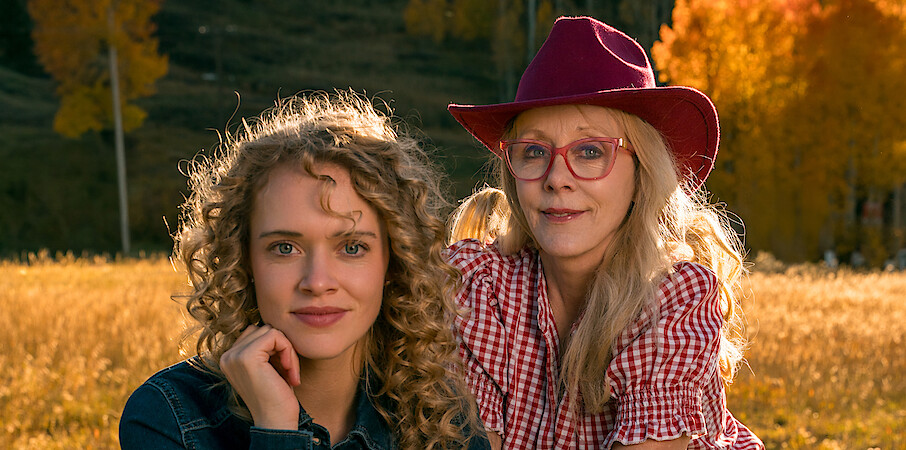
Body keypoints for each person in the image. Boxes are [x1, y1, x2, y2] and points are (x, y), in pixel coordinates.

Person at [446, 16, 764, 449]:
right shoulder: (480, 288)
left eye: (591, 151)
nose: (557, 178)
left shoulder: (674, 300)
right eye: (535, 151)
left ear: (642, 173)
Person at [120, 90, 489, 449]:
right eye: (285, 248)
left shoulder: (444, 421)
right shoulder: (169, 417)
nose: (317, 282)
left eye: (351, 247)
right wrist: (277, 430)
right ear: (243, 260)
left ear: (394, 262)